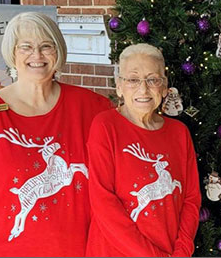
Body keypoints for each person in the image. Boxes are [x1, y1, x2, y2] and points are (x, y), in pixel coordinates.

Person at [0, 12, 112, 257]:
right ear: (12, 53)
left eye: (46, 46)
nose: (37, 55)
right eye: (26, 47)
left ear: (58, 51)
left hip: (79, 251)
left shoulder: (93, 108)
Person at [86, 43, 201, 257]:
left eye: (152, 79)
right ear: (119, 86)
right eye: (133, 79)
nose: (143, 89)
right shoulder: (105, 126)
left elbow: (191, 199)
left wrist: (182, 251)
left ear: (165, 87)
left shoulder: (179, 133)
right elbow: (103, 202)